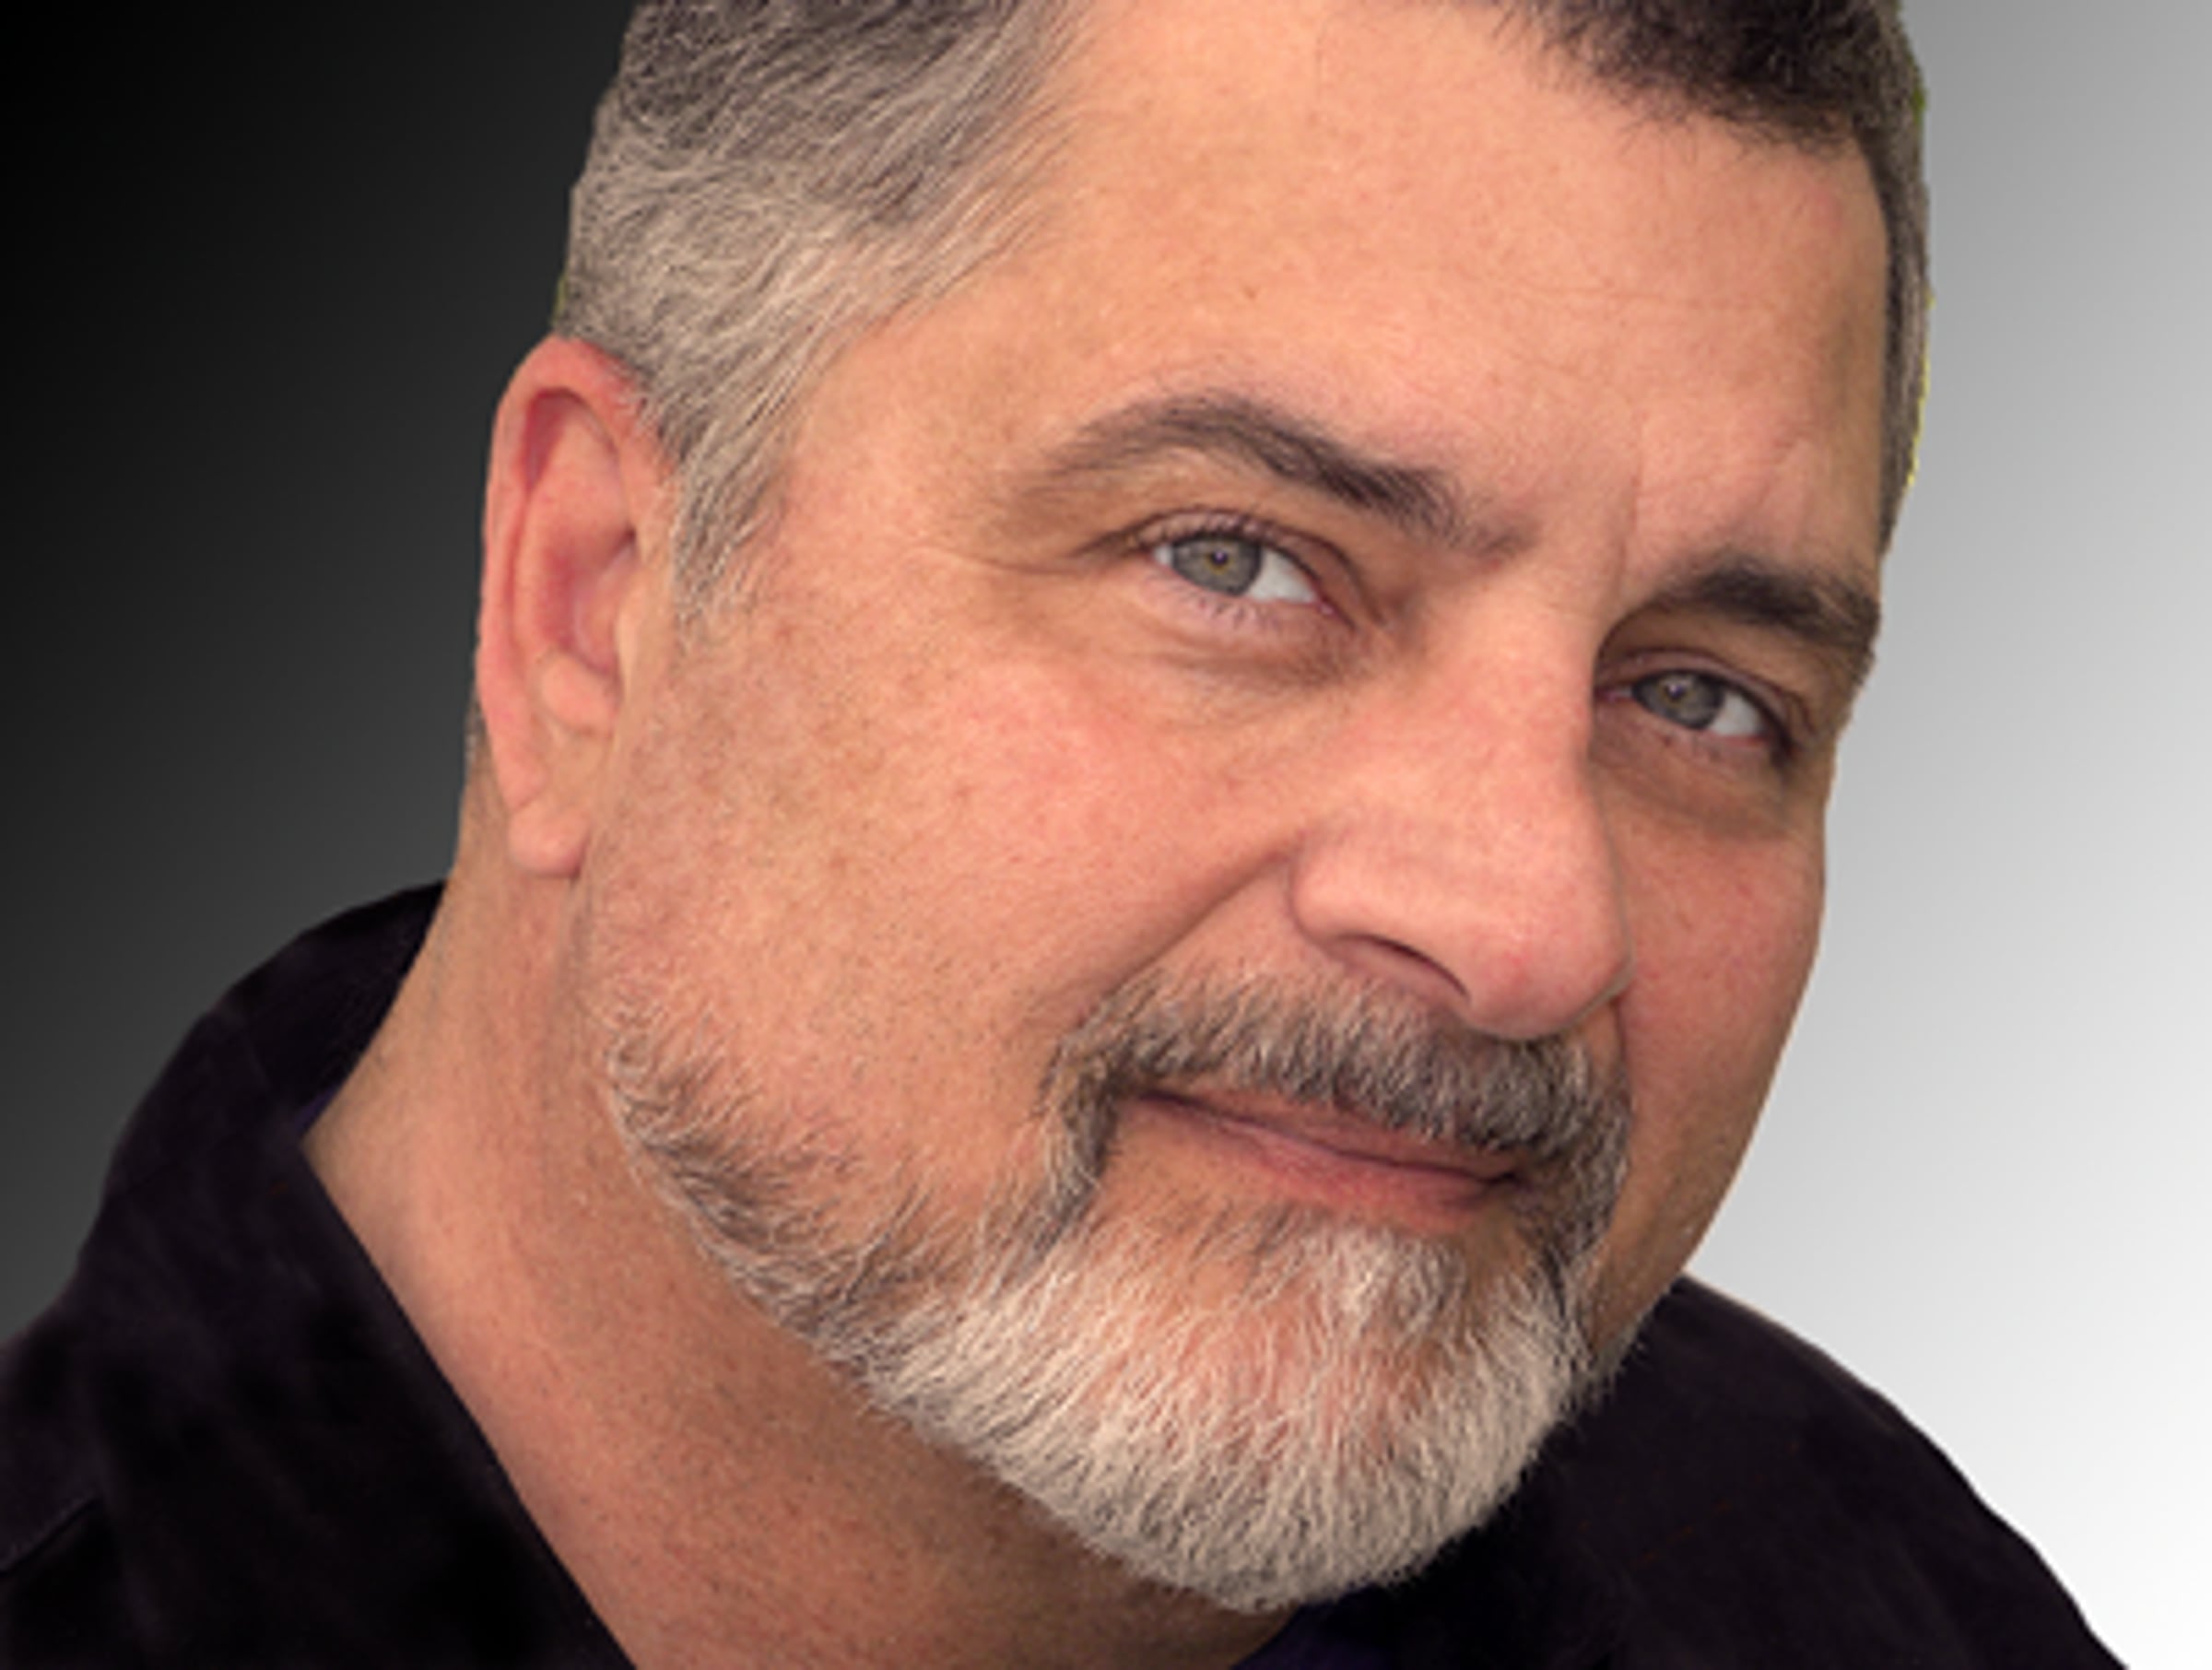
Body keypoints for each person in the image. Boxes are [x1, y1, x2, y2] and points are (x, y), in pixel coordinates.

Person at [0, 1, 2119, 1664]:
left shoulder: (1857, 1586)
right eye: (1241, 562)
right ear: (595, 603)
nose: (1531, 925)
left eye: (1699, 695)